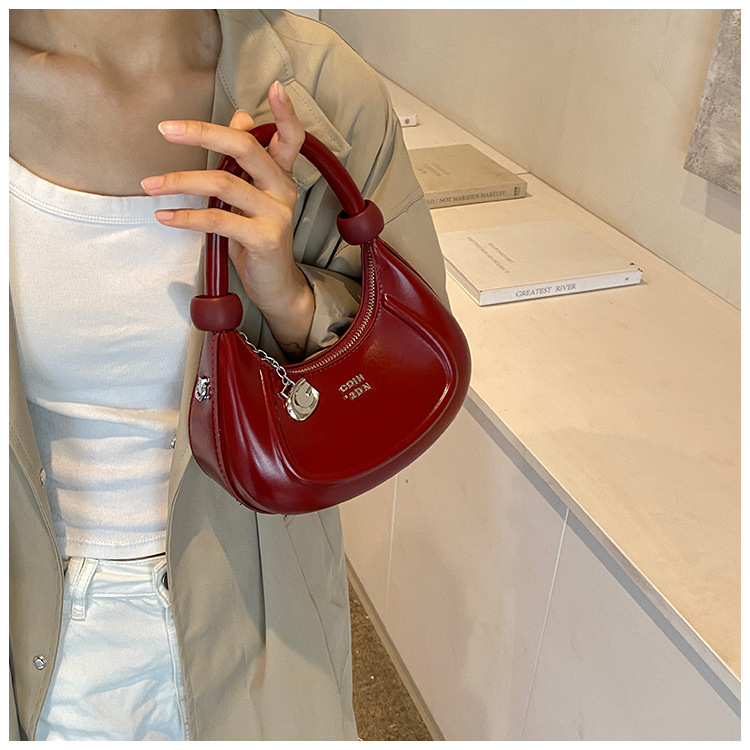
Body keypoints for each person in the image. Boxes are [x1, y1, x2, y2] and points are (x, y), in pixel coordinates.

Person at [9, 9, 448, 741]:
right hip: (30, 639)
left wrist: (293, 301)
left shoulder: (323, 89)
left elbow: (412, 370)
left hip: (260, 633)